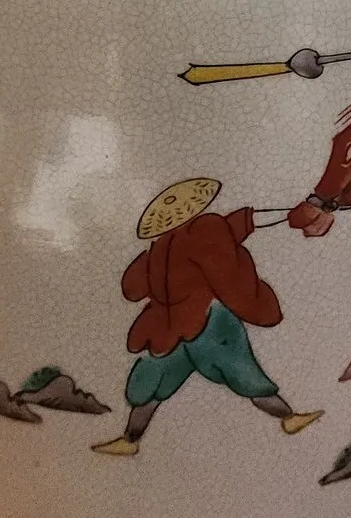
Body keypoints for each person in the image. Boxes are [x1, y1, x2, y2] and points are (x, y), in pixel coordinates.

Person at [92, 176, 322, 458]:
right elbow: (133, 287)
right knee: (154, 379)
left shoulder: (198, 232)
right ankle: (130, 440)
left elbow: (247, 221)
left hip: (206, 322)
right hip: (174, 328)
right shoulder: (168, 245)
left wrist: (294, 213)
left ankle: (288, 417)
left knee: (240, 373)